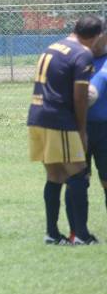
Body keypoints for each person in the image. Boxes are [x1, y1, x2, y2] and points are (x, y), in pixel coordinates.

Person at [28, 15, 102, 245]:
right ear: (98, 36)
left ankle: (52, 234)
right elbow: (80, 97)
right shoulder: (83, 53)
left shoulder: (53, 46)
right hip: (59, 119)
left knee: (55, 175)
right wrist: (81, 129)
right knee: (78, 173)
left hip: (37, 116)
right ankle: (80, 235)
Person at [85, 33, 107, 225]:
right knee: (79, 181)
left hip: (104, 131)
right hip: (78, 129)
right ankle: (78, 232)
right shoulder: (78, 59)